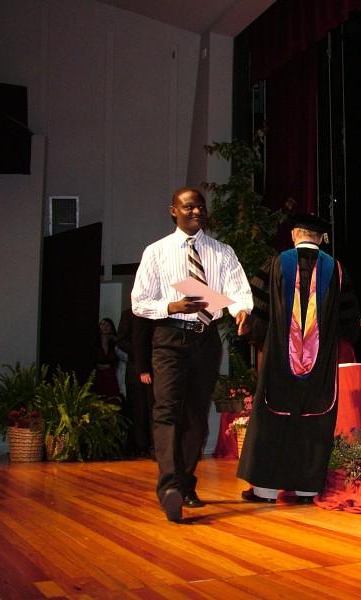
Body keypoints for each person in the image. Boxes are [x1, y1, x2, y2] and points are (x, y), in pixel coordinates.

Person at [131, 187, 253, 522]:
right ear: (174, 211)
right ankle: (169, 486)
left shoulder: (221, 251)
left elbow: (238, 290)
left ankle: (185, 483)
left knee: (197, 417)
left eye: (200, 207)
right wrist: (172, 305)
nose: (196, 211)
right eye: (189, 207)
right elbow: (138, 302)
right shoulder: (157, 252)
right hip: (169, 336)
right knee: (167, 410)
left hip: (206, 339)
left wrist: (241, 311)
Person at [237, 213, 360, 503]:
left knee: (273, 418)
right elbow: (348, 323)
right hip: (320, 369)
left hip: (279, 365)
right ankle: (306, 490)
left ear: (294, 235)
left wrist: (256, 333)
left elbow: (260, 316)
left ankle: (265, 491)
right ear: (320, 238)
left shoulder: (276, 265)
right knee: (313, 420)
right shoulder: (337, 270)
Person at [116, 308, 155, 458]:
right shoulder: (128, 314)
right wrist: (141, 353)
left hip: (155, 368)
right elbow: (122, 341)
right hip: (135, 369)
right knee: (138, 409)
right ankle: (141, 446)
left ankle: (154, 446)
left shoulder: (156, 313)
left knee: (155, 408)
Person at [95, 318, 121, 400]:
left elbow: (121, 358)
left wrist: (117, 341)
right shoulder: (95, 342)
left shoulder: (114, 343)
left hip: (111, 377)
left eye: (108, 325)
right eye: (102, 324)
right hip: (97, 376)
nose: (105, 327)